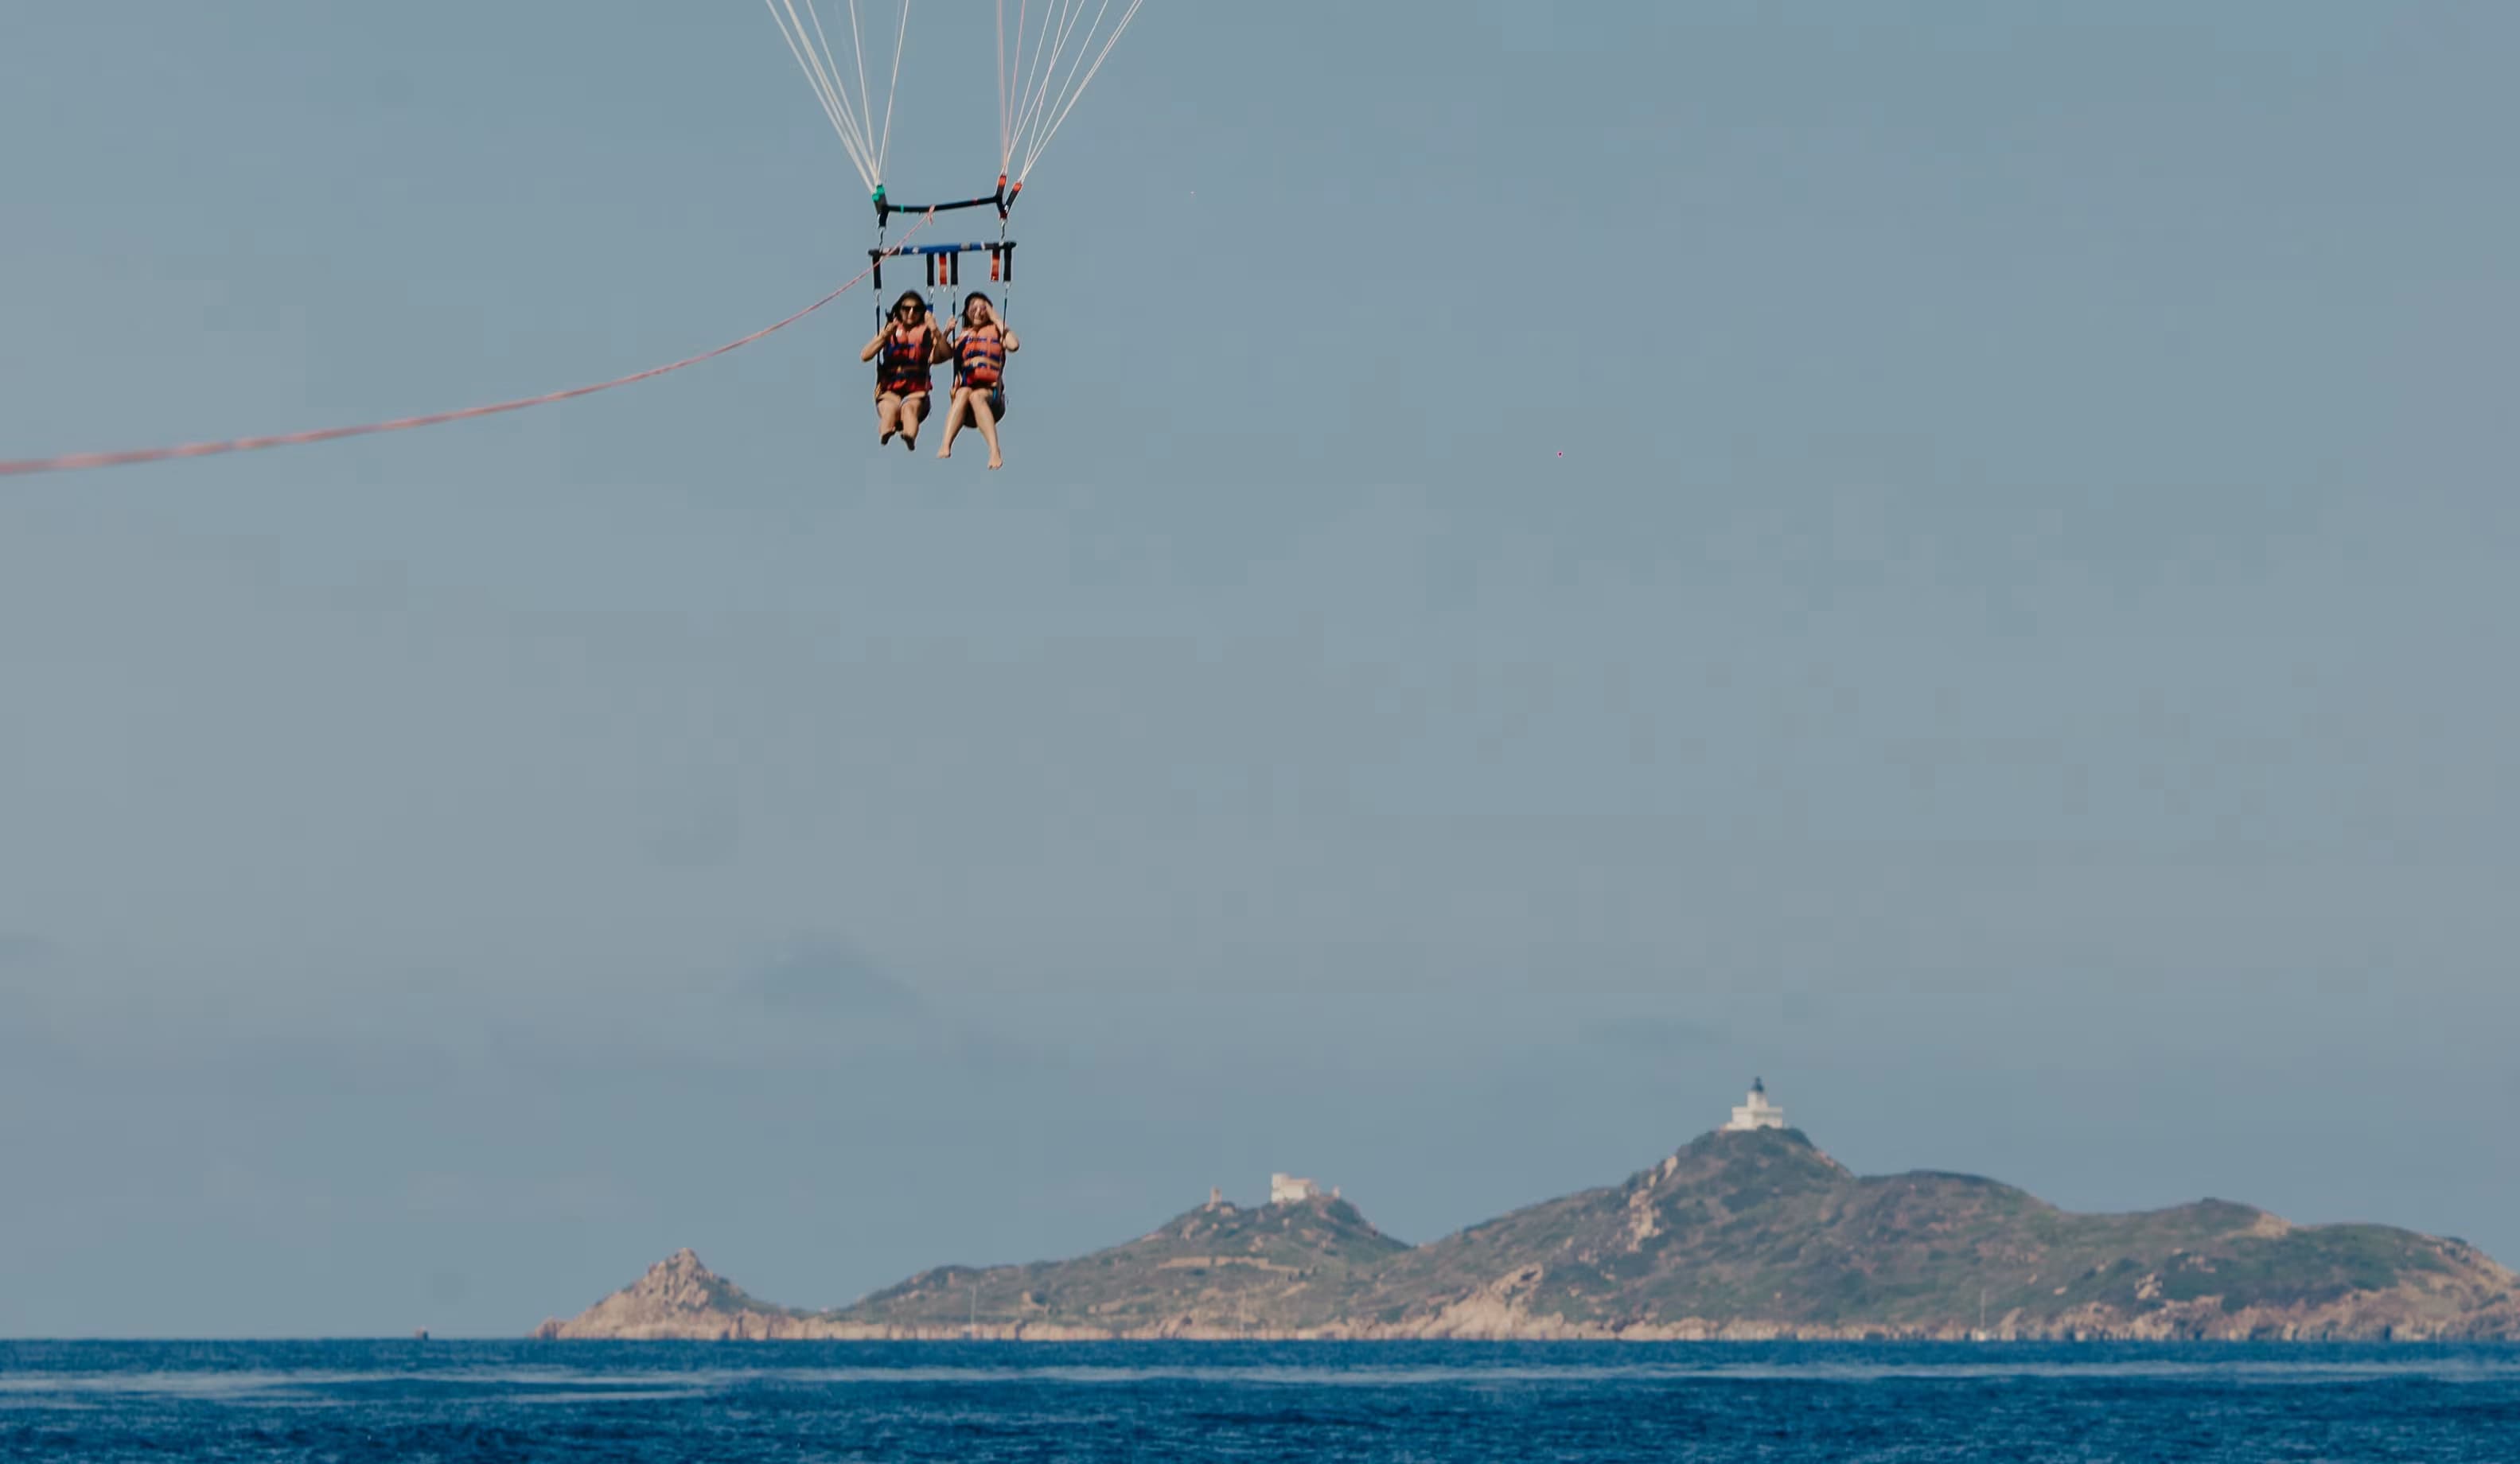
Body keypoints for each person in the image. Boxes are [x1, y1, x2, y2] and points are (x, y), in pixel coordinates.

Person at [937, 292, 1019, 470]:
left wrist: (995, 317)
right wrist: (946, 332)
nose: (978, 312)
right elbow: (936, 357)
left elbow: (1013, 345)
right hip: (964, 406)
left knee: (976, 396)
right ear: (966, 312)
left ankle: (994, 451)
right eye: (973, 308)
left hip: (992, 397)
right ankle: (946, 443)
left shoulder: (997, 332)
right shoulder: (962, 337)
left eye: (983, 308)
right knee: (965, 392)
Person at [861, 292, 948, 450]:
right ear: (899, 310)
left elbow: (946, 354)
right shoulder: (890, 329)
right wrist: (884, 336)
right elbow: (865, 355)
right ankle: (886, 433)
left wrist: (935, 329)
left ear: (922, 312)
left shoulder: (927, 331)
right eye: (906, 309)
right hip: (889, 388)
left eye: (916, 309)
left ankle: (909, 436)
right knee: (889, 410)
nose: (911, 313)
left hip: (917, 389)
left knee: (909, 410)